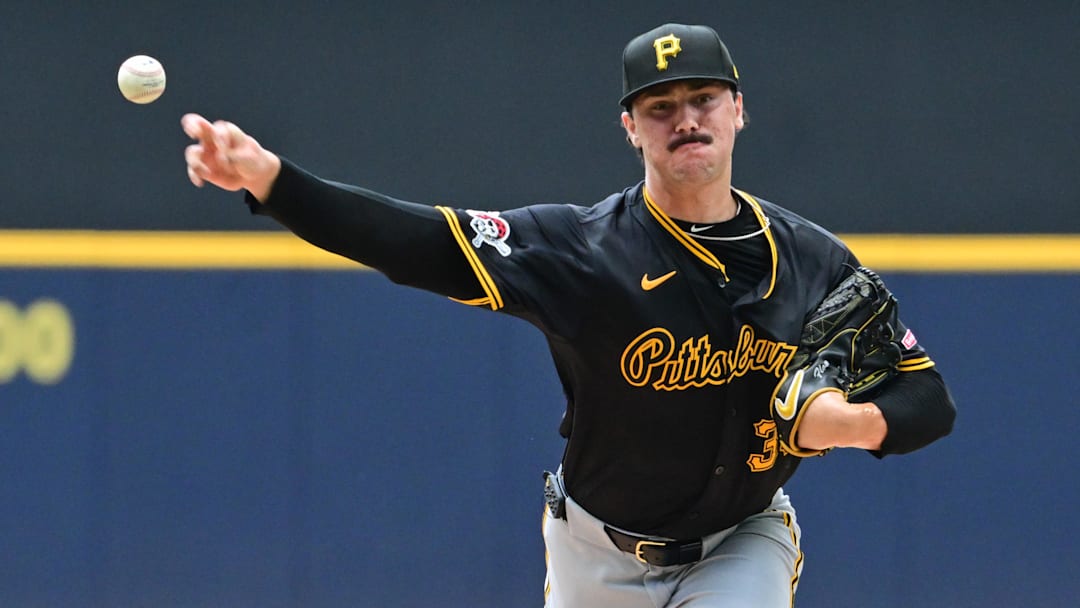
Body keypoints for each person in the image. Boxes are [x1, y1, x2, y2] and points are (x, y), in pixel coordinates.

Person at [183, 22, 955, 608]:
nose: (685, 118)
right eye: (660, 107)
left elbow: (927, 396)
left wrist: (852, 424)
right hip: (595, 553)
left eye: (702, 99)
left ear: (738, 110)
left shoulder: (815, 260)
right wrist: (275, 183)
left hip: (741, 537)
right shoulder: (581, 250)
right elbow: (416, 242)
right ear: (631, 126)